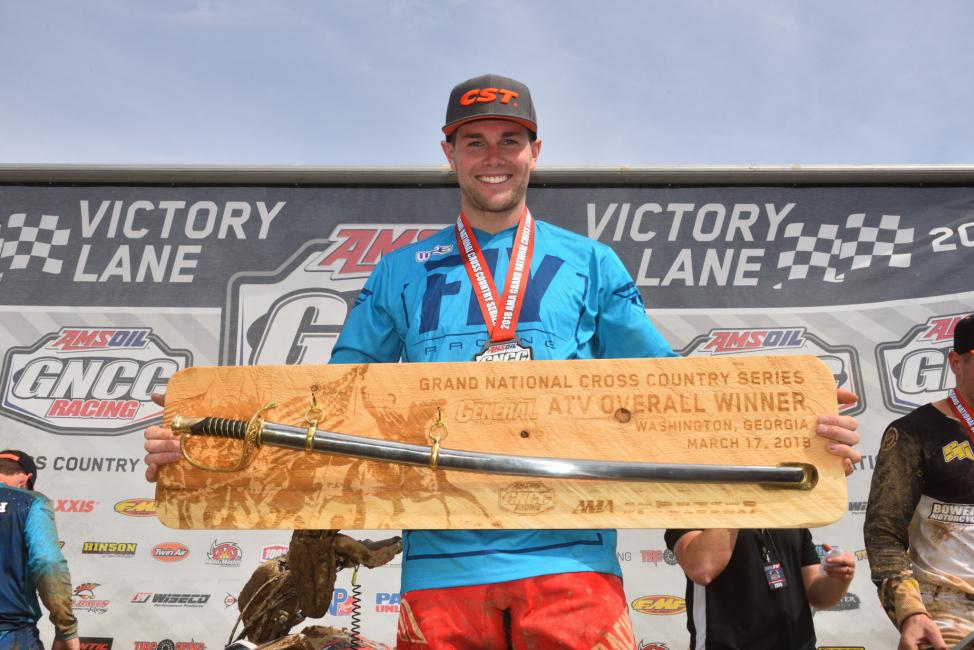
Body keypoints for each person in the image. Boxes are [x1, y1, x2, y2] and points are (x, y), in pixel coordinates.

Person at [145, 74, 862, 649]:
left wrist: (796, 433)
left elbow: (670, 393)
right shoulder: (400, 272)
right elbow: (329, 404)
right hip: (441, 567)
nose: (494, 156)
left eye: (510, 140)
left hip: (571, 562)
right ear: (450, 152)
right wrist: (199, 443)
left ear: (535, 151)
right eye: (475, 141)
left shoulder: (588, 263)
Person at [865, 313, 974, 650]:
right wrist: (911, 612)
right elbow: (884, 533)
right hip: (947, 606)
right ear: (956, 362)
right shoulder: (913, 433)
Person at [663, 527, 856, 649]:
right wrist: (742, 500)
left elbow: (817, 594)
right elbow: (702, 569)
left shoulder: (790, 511)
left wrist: (839, 578)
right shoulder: (691, 506)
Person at [0, 449, 79, 650]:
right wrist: (66, 628)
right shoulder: (30, 501)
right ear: (25, 480)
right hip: (11, 632)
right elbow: (47, 561)